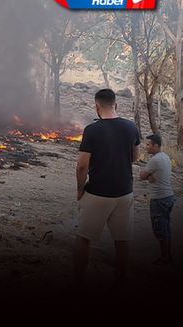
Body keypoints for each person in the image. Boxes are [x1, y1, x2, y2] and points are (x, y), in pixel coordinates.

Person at [74, 89, 140, 289]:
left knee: (84, 238)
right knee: (122, 241)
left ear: (97, 106)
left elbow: (82, 166)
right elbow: (135, 157)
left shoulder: (92, 130)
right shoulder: (131, 127)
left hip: (97, 193)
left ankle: (78, 282)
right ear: (116, 105)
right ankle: (120, 281)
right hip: (124, 192)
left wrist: (79, 189)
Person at [140, 133, 175, 265]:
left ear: (156, 145)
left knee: (160, 229)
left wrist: (147, 176)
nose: (146, 147)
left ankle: (165, 258)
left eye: (148, 144)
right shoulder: (165, 157)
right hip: (168, 196)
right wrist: (150, 176)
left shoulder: (155, 160)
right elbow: (150, 176)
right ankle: (167, 255)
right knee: (165, 227)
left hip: (159, 199)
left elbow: (142, 175)